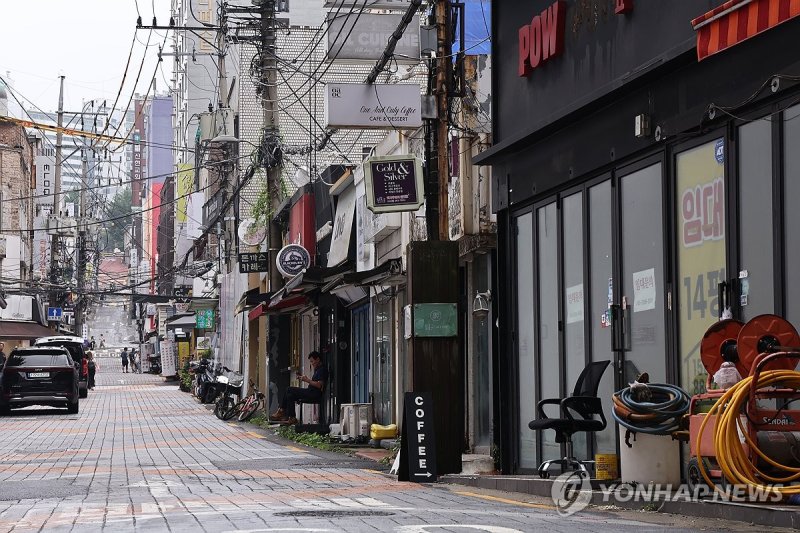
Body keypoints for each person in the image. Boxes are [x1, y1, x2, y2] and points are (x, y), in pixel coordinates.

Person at [269, 351, 327, 425]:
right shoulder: (318, 370)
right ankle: (292, 418)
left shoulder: (322, 370)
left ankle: (281, 411)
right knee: (290, 395)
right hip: (310, 391)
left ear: (318, 359)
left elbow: (319, 385)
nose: (312, 363)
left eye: (312, 361)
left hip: (314, 393)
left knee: (289, 389)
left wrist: (307, 380)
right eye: (310, 362)